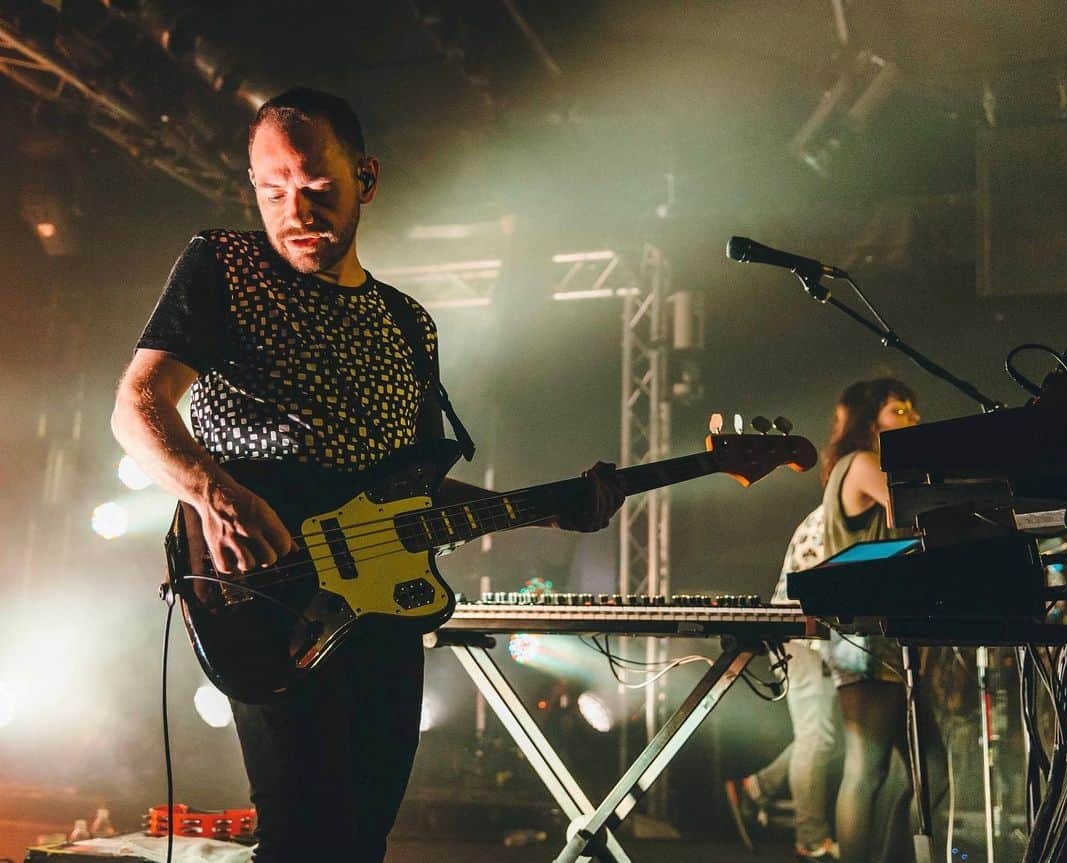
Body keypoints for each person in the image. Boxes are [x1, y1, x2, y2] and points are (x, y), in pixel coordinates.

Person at [111, 87, 625, 863]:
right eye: (272, 188)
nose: (295, 209)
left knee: (365, 831)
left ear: (367, 179)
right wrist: (214, 493)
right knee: (303, 831)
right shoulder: (223, 263)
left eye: (317, 187)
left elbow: (408, 489)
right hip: (264, 587)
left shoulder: (407, 324)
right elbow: (137, 402)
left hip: (381, 602)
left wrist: (542, 511)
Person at [820, 378, 947, 863]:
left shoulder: (864, 466)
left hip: (882, 633)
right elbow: (912, 511)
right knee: (867, 770)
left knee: (929, 771)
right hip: (864, 634)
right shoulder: (864, 464)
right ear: (870, 419)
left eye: (913, 408)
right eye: (900, 410)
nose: (912, 418)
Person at [726, 504, 841, 862]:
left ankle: (756, 788)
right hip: (800, 633)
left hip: (808, 634)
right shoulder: (843, 505)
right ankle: (811, 840)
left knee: (828, 737)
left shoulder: (831, 508)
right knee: (818, 738)